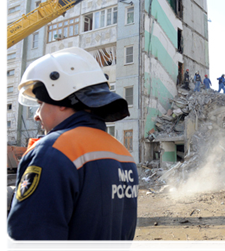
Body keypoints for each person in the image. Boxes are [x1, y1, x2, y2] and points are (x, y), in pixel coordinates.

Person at [6, 47, 138, 251]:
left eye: (40, 103)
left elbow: (28, 241)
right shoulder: (122, 153)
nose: (37, 115)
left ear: (61, 100)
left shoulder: (52, 151)